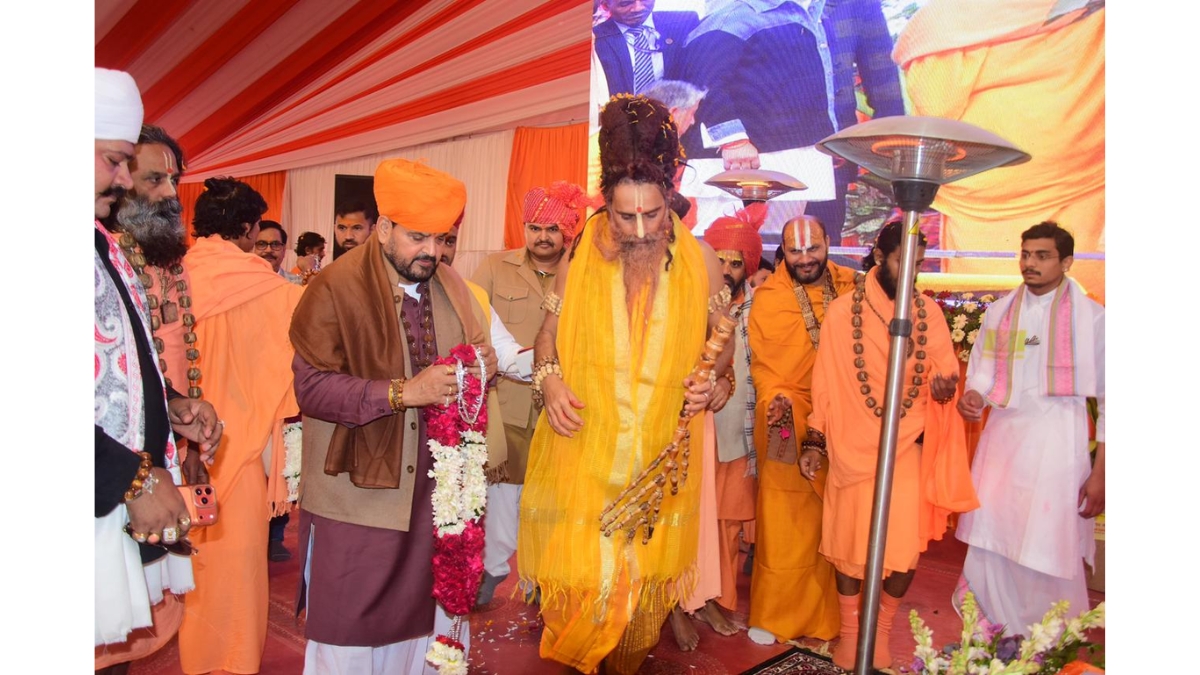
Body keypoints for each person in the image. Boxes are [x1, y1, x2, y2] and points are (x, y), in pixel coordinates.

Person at [518, 94, 726, 675]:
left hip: (659, 470)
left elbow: (724, 345)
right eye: (624, 215)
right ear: (605, 203)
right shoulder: (579, 254)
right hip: (584, 459)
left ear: (670, 199)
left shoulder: (703, 260)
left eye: (652, 215)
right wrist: (550, 382)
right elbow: (546, 335)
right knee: (581, 606)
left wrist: (715, 380)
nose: (638, 230)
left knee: (636, 619)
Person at [288, 158, 506, 672]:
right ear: (384, 227)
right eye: (417, 237)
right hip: (357, 494)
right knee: (349, 624)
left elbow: (477, 355)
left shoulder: (451, 286)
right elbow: (311, 389)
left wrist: (481, 366)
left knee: (425, 622)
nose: (432, 251)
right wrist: (404, 392)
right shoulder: (334, 287)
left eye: (442, 238)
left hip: (434, 494)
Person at [804, 220, 978, 670]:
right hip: (850, 443)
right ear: (879, 257)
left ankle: (879, 633)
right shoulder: (843, 313)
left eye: (919, 265)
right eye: (904, 262)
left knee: (902, 547)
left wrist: (944, 389)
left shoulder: (927, 313)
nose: (912, 273)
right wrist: (816, 438)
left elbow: (944, 369)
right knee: (848, 542)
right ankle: (850, 635)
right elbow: (824, 381)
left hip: (905, 443)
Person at [94, 68, 222, 674]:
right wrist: (135, 479)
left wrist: (170, 405)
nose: (123, 181)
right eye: (116, 162)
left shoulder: (101, 245)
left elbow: (115, 359)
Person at [176, 177, 306, 675]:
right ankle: (236, 660)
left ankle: (197, 658)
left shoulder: (174, 277)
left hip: (179, 449)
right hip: (241, 447)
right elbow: (300, 365)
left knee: (191, 558)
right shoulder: (274, 290)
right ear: (251, 229)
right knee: (239, 563)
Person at [893, 0, 1105, 300]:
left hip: (1014, 200)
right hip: (1071, 195)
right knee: (1079, 314)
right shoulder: (1097, 14)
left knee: (990, 314)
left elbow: (934, 114)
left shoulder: (946, 21)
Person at [954, 222, 1104, 632]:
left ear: (1067, 262)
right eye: (1025, 254)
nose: (1030, 263)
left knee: (1048, 543)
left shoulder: (1093, 320)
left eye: (1042, 256)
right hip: (1003, 445)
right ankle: (990, 639)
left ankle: (1047, 643)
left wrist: (1101, 473)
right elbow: (982, 372)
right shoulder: (1001, 313)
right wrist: (974, 397)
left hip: (1058, 446)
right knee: (993, 540)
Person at [744, 214, 859, 647]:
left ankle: (831, 615)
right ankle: (775, 615)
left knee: (838, 518)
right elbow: (764, 366)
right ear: (784, 252)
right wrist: (777, 398)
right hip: (787, 416)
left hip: (845, 416)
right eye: (795, 251)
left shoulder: (853, 287)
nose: (805, 258)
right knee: (783, 516)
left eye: (813, 248)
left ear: (828, 243)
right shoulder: (770, 298)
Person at [471, 181, 586, 605]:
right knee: (504, 496)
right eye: (535, 228)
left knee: (554, 500)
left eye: (552, 229)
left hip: (565, 406)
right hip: (510, 405)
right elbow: (471, 323)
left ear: (567, 232)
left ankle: (543, 577)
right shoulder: (493, 268)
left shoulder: (583, 273)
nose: (543, 237)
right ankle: (491, 571)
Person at [674, 202, 773, 649]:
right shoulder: (689, 300)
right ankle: (679, 604)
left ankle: (715, 598)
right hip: (690, 429)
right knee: (685, 521)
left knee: (727, 526)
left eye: (736, 263)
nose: (728, 271)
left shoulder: (762, 308)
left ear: (748, 266)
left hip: (736, 437)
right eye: (721, 261)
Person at [678, 0, 842, 235]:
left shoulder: (805, 12)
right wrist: (733, 141)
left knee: (777, 244)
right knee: (722, 242)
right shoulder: (732, 16)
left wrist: (827, 139)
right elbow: (703, 81)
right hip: (741, 163)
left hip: (794, 159)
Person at [592, 0, 699, 96]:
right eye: (625, 3)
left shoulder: (684, 23)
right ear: (605, 5)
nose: (638, 8)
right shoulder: (595, 39)